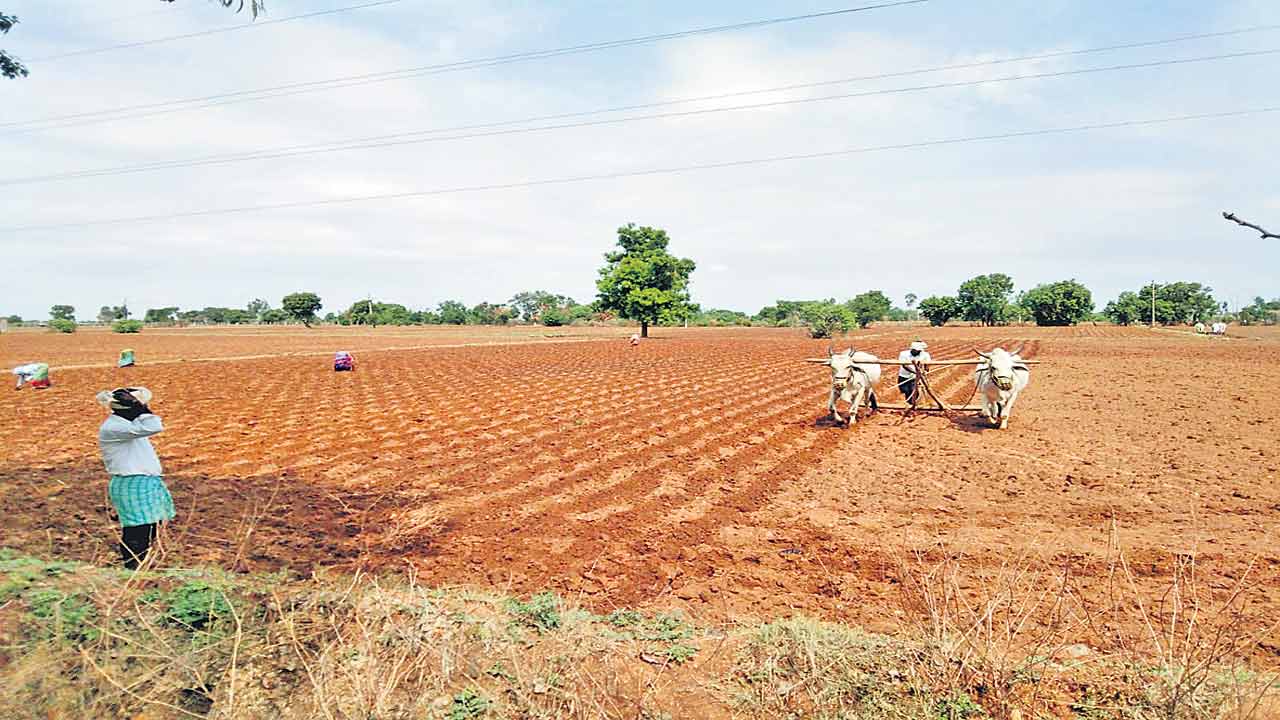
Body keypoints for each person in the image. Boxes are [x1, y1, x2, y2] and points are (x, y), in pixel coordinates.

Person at [96, 387, 175, 570]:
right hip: (132, 483)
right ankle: (133, 568)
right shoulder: (115, 427)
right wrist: (141, 409)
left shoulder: (125, 425)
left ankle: (139, 567)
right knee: (138, 529)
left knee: (149, 527)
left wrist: (136, 408)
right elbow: (155, 425)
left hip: (142, 482)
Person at [896, 340, 931, 404]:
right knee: (906, 391)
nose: (919, 352)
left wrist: (925, 371)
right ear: (912, 349)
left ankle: (912, 405)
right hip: (904, 376)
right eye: (917, 351)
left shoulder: (925, 355)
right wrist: (916, 372)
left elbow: (927, 365)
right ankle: (911, 404)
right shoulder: (903, 354)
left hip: (915, 378)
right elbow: (905, 366)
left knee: (914, 391)